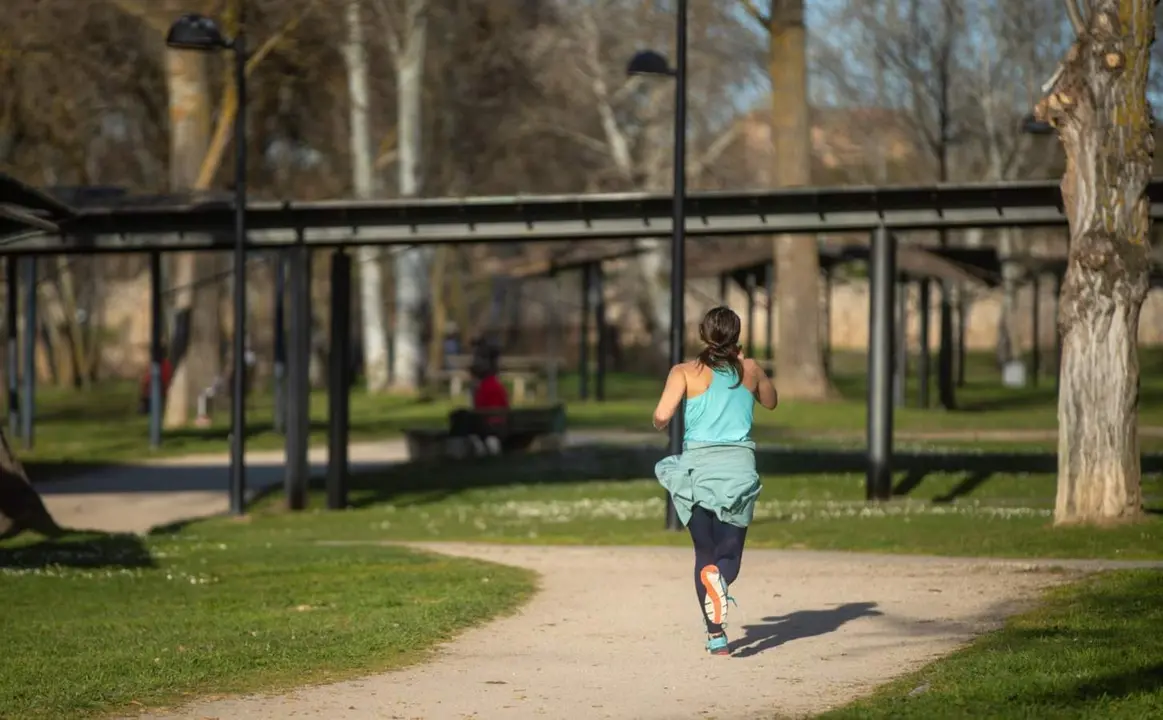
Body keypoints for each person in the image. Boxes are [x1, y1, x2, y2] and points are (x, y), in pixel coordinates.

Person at [652, 306, 778, 656]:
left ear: (703, 334)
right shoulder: (749, 369)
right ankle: (720, 582)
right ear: (737, 335)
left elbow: (661, 417)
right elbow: (771, 402)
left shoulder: (684, 371)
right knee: (729, 554)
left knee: (704, 554)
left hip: (697, 472)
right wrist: (748, 370)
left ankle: (716, 636)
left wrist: (669, 414)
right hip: (738, 471)